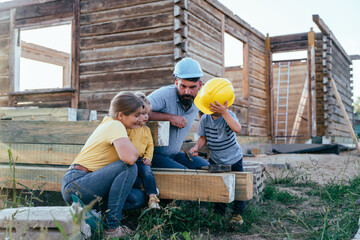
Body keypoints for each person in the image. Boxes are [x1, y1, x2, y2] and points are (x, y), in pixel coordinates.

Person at [61, 91, 146, 238]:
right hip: (76, 183)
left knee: (137, 197)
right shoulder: (115, 125)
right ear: (121, 115)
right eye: (136, 115)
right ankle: (111, 229)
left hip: (89, 182)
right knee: (129, 167)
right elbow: (129, 158)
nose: (139, 120)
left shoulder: (118, 127)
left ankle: (98, 217)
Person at [189, 78, 245, 225]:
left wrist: (225, 113)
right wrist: (196, 147)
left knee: (239, 186)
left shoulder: (229, 116)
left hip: (234, 158)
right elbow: (203, 138)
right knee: (219, 186)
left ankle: (237, 214)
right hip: (216, 159)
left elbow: (237, 129)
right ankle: (219, 213)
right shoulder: (205, 119)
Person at [147, 57, 210, 169]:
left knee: (208, 168)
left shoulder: (200, 98)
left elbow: (204, 114)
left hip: (175, 155)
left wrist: (203, 135)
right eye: (183, 86)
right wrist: (170, 118)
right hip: (152, 156)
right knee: (184, 174)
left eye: (192, 87)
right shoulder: (164, 95)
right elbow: (138, 111)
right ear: (177, 83)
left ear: (200, 85)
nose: (187, 92)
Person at [127, 92, 160, 209]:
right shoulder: (129, 128)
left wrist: (148, 157)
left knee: (147, 172)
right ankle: (144, 186)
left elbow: (150, 146)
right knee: (132, 174)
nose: (147, 117)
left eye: (148, 114)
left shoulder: (146, 130)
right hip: (129, 159)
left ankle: (152, 198)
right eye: (143, 114)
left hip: (141, 159)